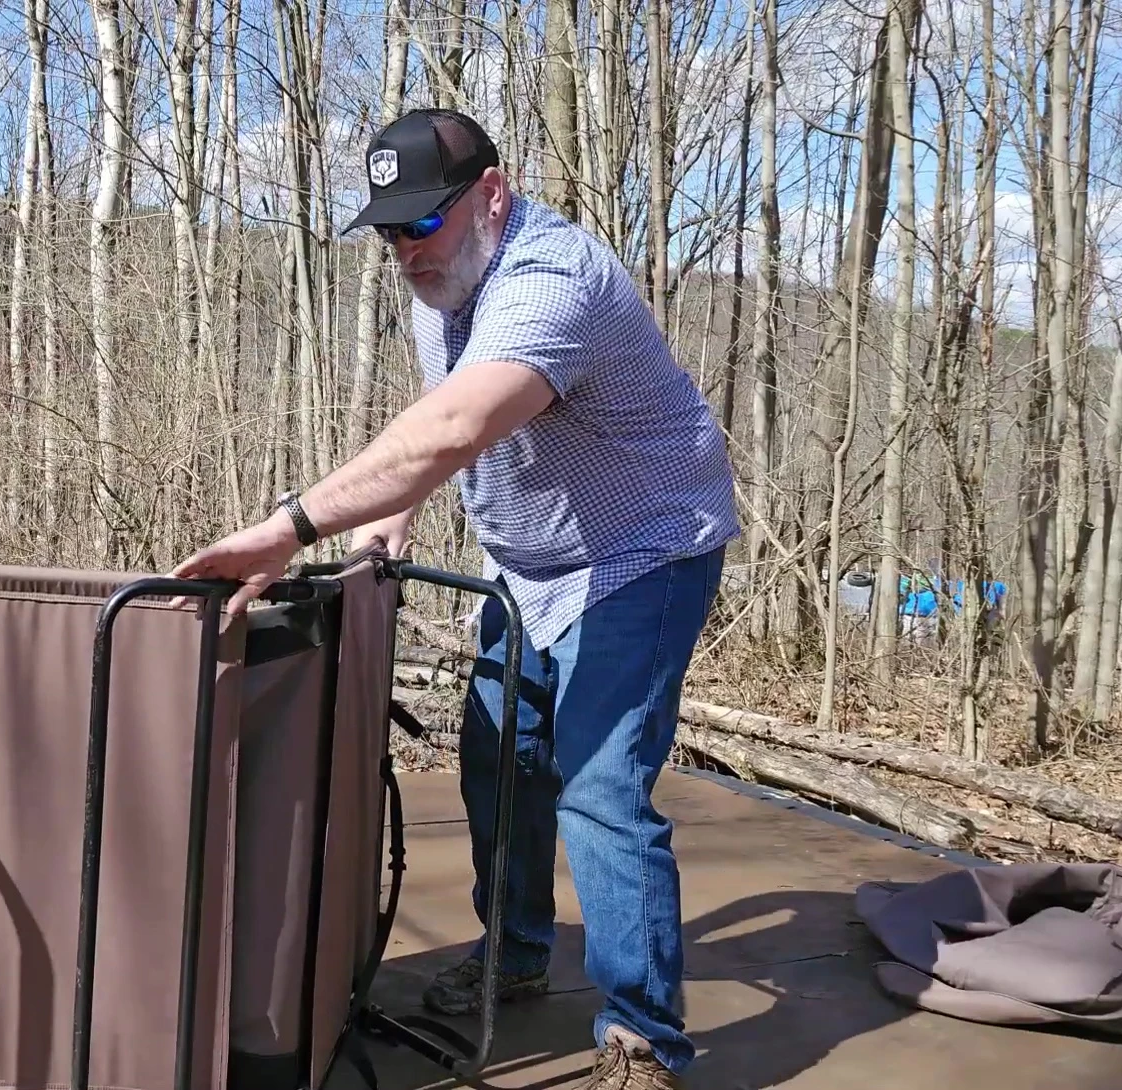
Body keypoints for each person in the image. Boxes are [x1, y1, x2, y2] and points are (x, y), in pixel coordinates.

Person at [172, 108, 738, 1089]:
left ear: (492, 195)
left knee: (599, 784)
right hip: (531, 562)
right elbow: (442, 425)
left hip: (643, 550)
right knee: (497, 757)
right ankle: (516, 951)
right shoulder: (440, 285)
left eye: (424, 222)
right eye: (390, 231)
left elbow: (456, 425)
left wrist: (288, 526)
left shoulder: (554, 281)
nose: (406, 249)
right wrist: (394, 513)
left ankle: (642, 1043)